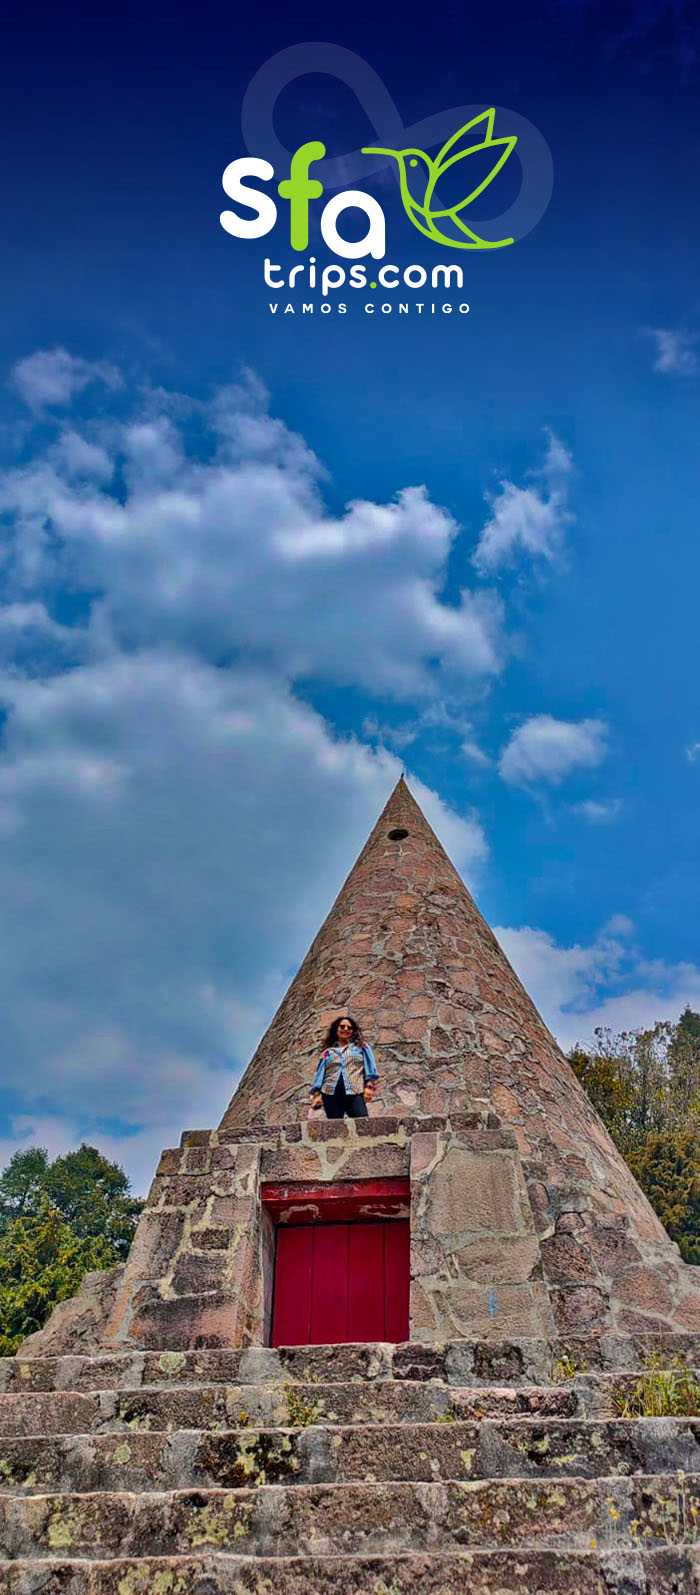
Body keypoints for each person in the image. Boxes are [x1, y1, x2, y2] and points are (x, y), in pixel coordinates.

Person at [309, 1015, 380, 1118]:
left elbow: (370, 1068)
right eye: (342, 1027)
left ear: (353, 1031)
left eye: (349, 1028)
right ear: (336, 1029)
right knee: (335, 1124)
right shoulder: (328, 1052)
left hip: (354, 1090)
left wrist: (369, 1087)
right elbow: (320, 1075)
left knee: (361, 1120)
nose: (346, 1029)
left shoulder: (361, 1047)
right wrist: (316, 1095)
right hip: (330, 1092)